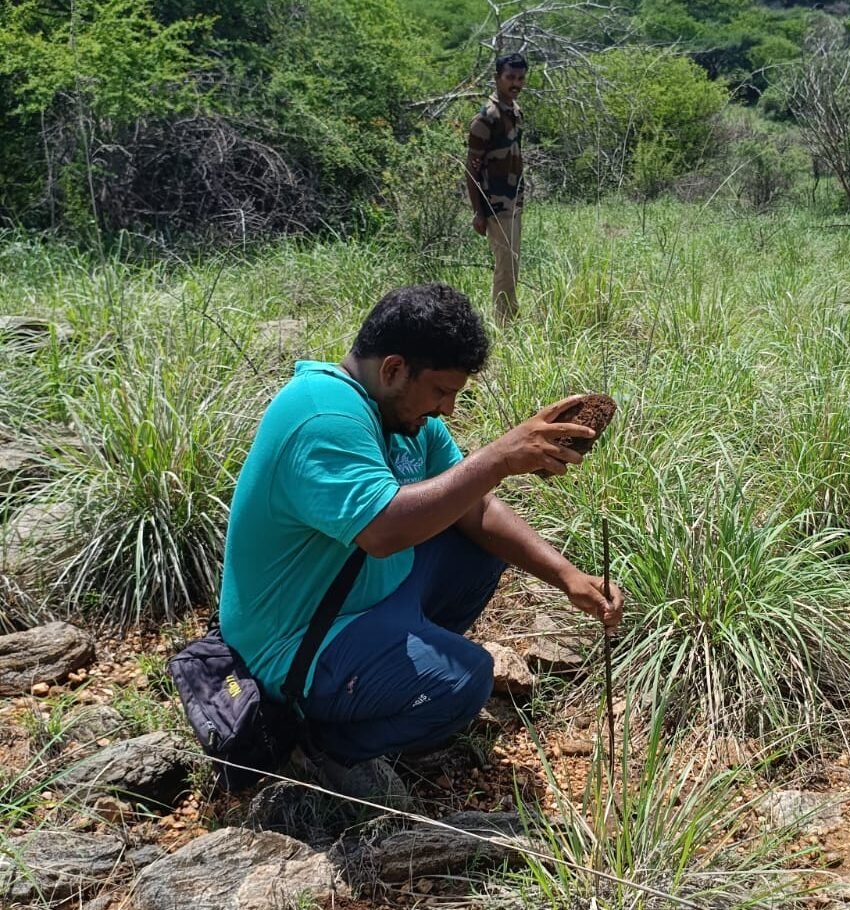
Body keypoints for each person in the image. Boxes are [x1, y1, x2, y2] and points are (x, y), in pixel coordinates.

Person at [218, 283, 623, 803]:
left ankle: (385, 683)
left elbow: (473, 507)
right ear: (392, 370)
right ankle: (327, 747)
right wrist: (499, 457)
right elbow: (384, 530)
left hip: (355, 595)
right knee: (466, 682)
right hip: (294, 640)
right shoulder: (324, 417)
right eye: (440, 391)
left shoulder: (404, 418)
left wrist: (568, 577)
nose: (448, 409)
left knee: (478, 547)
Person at [466, 53, 527, 323]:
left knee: (512, 265)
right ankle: (504, 326)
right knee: (505, 267)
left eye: (520, 78)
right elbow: (471, 168)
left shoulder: (514, 111)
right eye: (510, 77)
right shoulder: (486, 119)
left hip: (514, 201)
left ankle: (510, 318)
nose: (515, 83)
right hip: (495, 204)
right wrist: (478, 212)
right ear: (497, 78)